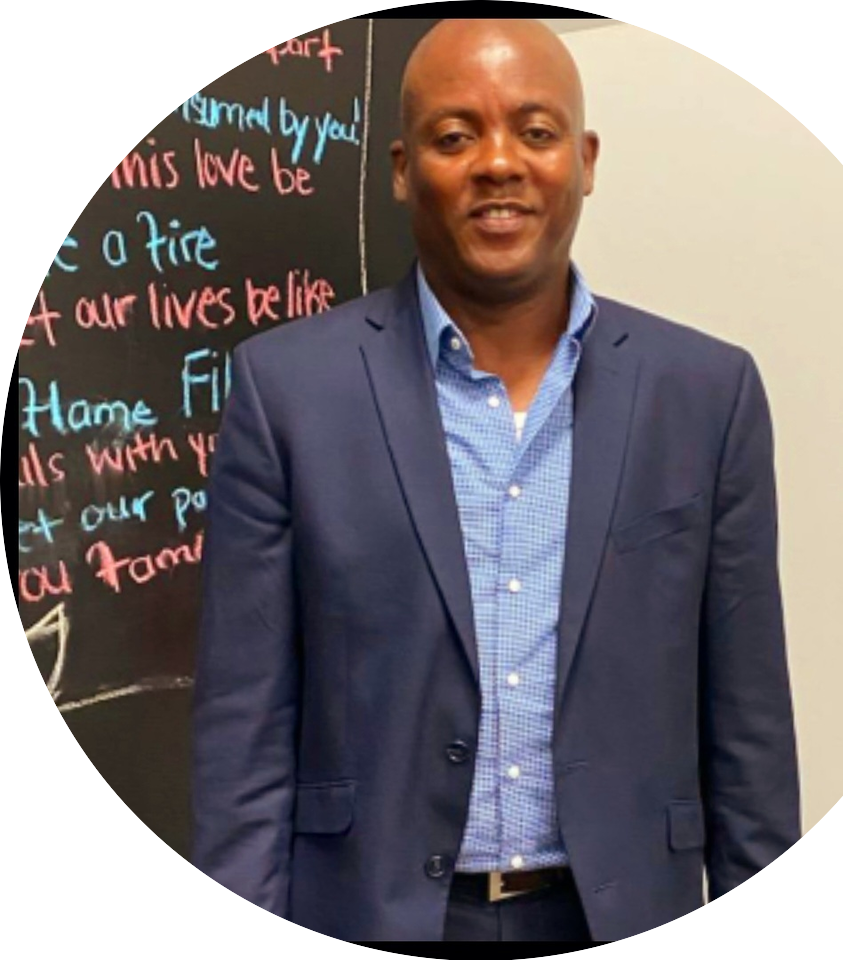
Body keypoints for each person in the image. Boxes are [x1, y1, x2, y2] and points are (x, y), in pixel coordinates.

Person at [192, 18, 801, 942]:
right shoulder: (286, 394)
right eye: (454, 135)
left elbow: (750, 737)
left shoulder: (706, 395)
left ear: (586, 160)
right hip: (373, 915)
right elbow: (244, 736)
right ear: (401, 169)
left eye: (536, 130)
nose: (499, 163)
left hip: (620, 911)